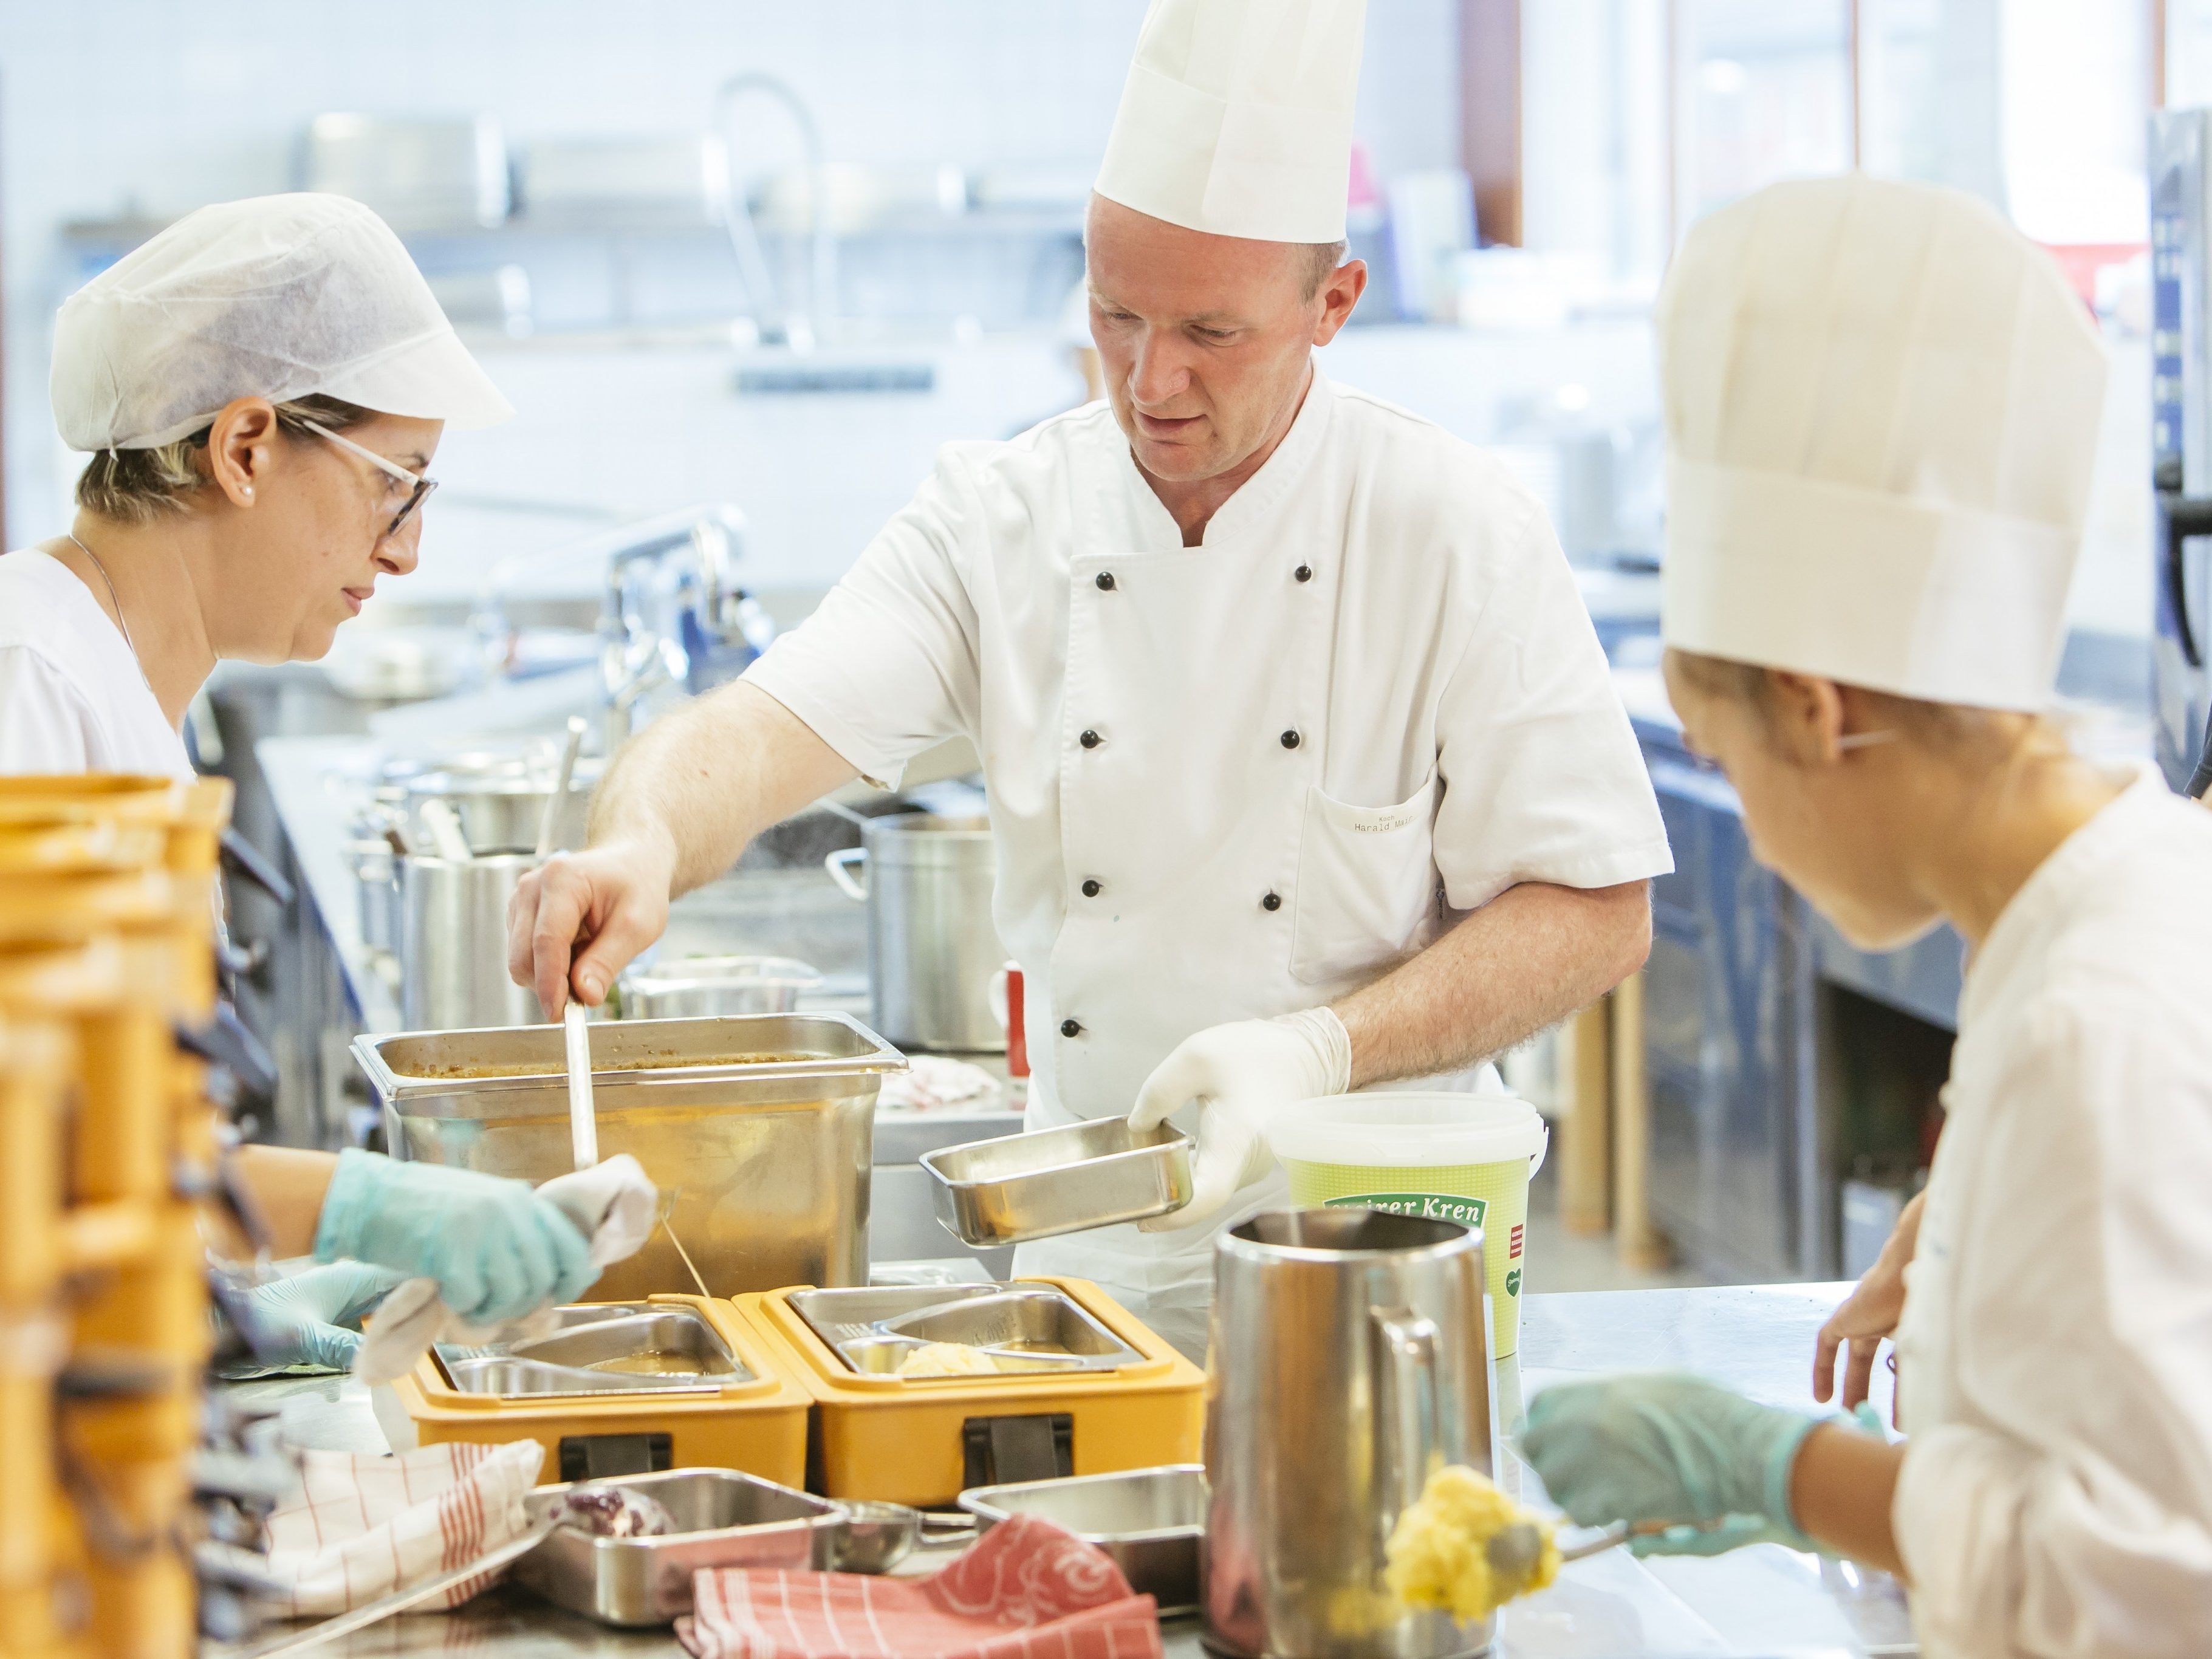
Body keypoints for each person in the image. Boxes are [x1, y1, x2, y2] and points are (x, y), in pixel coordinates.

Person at [508, 0, 1669, 1356]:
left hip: (1376, 1266)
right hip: (1076, 1281)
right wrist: (638, 840)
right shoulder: (1003, 517)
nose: (1150, 379)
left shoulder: (1453, 529)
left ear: (1332, 305)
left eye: (1210, 334)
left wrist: (1315, 1051)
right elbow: (760, 728)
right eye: (1114, 314)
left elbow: (1596, 910)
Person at [1521, 174, 2212, 1654]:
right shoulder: (2122, 881)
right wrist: (1982, 1219)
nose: (1754, 840)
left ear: (1818, 710)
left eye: (1725, 759)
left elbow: (2157, 1581)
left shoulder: (2092, 1022)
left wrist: (1779, 1468)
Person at [1, 193, 606, 1369]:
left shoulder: (118, 684)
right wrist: (351, 1202)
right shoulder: (28, 687)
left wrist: (217, 1296)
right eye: (399, 482)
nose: (407, 547)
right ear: (242, 448)